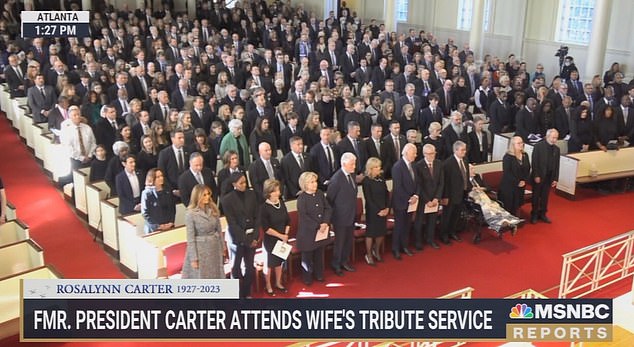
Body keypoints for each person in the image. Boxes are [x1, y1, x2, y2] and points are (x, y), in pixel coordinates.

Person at [221, 172, 259, 298]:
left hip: (251, 236)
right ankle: (236, 294)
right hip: (237, 239)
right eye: (241, 183)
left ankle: (247, 292)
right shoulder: (227, 200)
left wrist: (254, 237)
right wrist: (246, 240)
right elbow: (232, 223)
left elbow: (257, 217)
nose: (244, 185)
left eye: (245, 182)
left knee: (249, 266)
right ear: (234, 184)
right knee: (236, 268)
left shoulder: (252, 194)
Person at [182, 184, 226, 279]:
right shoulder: (191, 214)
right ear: (197, 196)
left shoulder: (213, 209)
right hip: (200, 250)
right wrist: (194, 258)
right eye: (204, 195)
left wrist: (223, 248)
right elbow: (190, 238)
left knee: (216, 275)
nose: (207, 197)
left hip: (214, 247)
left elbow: (219, 230)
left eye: (208, 194)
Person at [296, 171, 331, 285]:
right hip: (308, 232)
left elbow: (327, 208)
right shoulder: (302, 198)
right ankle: (307, 277)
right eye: (311, 182)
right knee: (307, 256)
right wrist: (317, 226)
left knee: (319, 253)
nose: (315, 184)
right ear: (305, 184)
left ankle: (319, 274)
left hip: (321, 230)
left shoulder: (320, 193)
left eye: (315, 181)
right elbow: (304, 216)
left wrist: (325, 222)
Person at [327, 152, 358, 276]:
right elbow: (330, 200)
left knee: (348, 241)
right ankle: (336, 264)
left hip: (351, 214)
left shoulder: (351, 175)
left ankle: (344, 261)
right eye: (352, 164)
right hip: (340, 217)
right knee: (339, 242)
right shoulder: (336, 179)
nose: (354, 166)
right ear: (344, 164)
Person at [259, 179, 290, 296]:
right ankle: (268, 285)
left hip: (283, 238)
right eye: (275, 191)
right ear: (268, 192)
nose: (278, 193)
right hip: (271, 240)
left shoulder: (281, 203)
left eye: (278, 190)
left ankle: (278, 282)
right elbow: (266, 228)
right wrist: (280, 236)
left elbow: (288, 220)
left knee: (279, 262)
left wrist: (285, 234)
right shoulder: (264, 208)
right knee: (269, 264)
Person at [390, 143, 418, 259]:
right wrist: (408, 198)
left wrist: (416, 195)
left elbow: (418, 182)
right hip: (401, 202)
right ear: (406, 153)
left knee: (407, 225)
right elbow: (398, 187)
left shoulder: (414, 166)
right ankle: (395, 249)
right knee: (399, 226)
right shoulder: (397, 167)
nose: (416, 155)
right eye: (414, 153)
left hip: (412, 201)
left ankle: (404, 246)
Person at [413, 144, 443, 250]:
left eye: (434, 153)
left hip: (435, 199)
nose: (432, 155)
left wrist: (436, 198)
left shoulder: (439, 164)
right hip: (423, 199)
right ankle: (418, 242)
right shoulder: (418, 166)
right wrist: (427, 200)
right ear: (424, 154)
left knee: (432, 221)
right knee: (419, 222)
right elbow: (419, 185)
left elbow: (441, 183)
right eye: (430, 154)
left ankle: (430, 239)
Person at [441, 141, 471, 244]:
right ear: (455, 150)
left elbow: (465, 177)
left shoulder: (465, 160)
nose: (465, 152)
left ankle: (452, 232)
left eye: (465, 149)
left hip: (461, 193)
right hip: (450, 195)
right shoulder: (447, 164)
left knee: (456, 215)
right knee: (447, 216)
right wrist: (445, 196)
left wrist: (468, 188)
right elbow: (444, 182)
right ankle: (444, 235)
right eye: (462, 150)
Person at [361, 157, 389, 265]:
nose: (379, 169)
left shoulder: (381, 178)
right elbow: (369, 199)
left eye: (379, 167)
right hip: (373, 211)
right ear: (371, 168)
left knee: (381, 231)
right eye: (376, 167)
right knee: (371, 233)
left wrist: (387, 208)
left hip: (383, 208)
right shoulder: (366, 181)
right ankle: (368, 254)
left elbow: (386, 193)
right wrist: (378, 211)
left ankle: (376, 250)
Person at [530, 129, 560, 224]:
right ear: (547, 137)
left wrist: (555, 178)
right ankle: (534, 214)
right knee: (536, 196)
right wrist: (536, 175)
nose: (554, 140)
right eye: (553, 137)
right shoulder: (538, 146)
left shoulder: (556, 149)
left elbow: (557, 165)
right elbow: (534, 162)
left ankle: (543, 214)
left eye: (556, 138)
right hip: (539, 176)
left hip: (549, 176)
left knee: (545, 197)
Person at [498, 136, 531, 216]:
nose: (521, 144)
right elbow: (507, 173)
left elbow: (528, 169)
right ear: (513, 145)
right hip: (509, 186)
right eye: (518, 143)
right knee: (509, 206)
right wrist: (517, 182)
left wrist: (524, 180)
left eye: (522, 142)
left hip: (521, 185)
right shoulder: (508, 157)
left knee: (517, 204)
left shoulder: (525, 155)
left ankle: (515, 220)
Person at [140, 168, 176, 234]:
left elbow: (172, 208)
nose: (161, 178)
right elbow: (145, 213)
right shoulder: (147, 193)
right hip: (154, 228)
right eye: (158, 177)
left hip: (168, 226)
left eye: (161, 176)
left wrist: (171, 222)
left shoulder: (167, 190)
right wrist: (158, 226)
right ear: (152, 179)